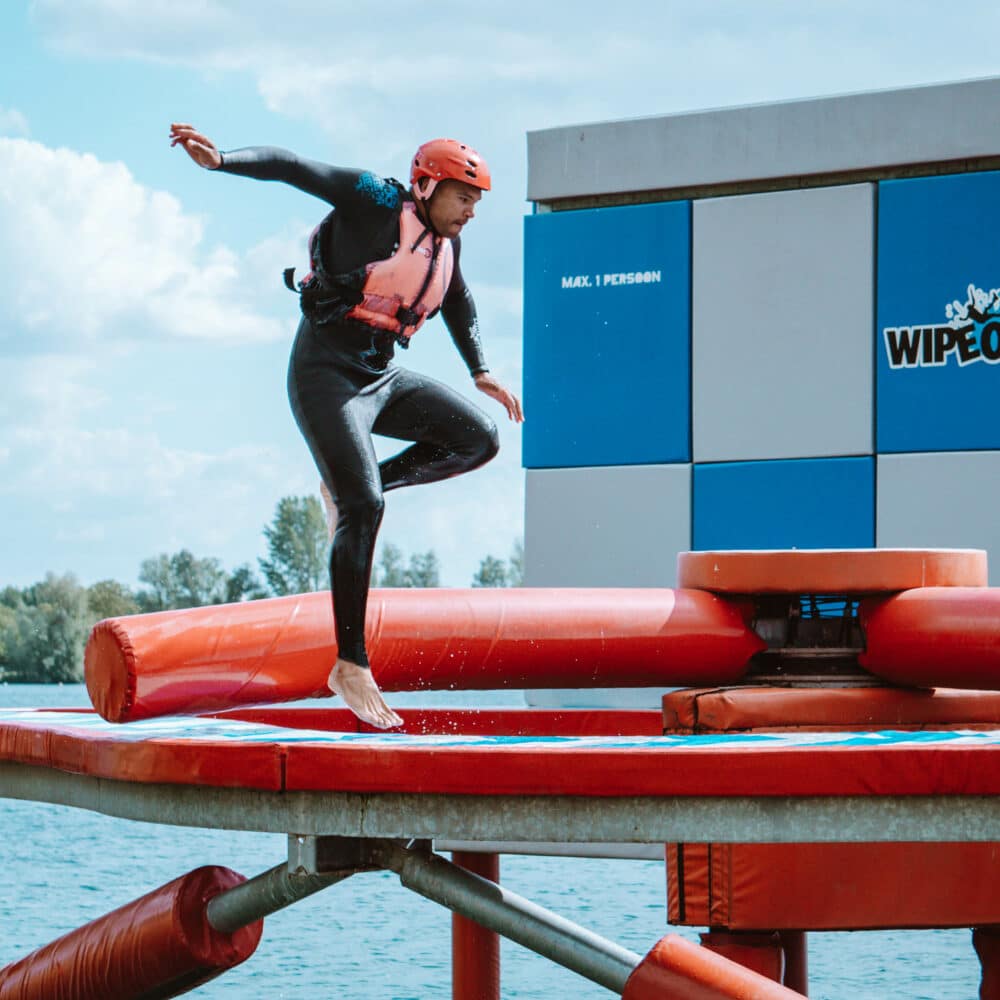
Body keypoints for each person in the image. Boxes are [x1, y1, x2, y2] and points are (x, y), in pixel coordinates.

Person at [169, 123, 523, 729]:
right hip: (325, 376)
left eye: (477, 202)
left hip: (380, 377)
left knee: (479, 439)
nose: (471, 211)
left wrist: (481, 371)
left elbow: (458, 301)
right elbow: (293, 166)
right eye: (464, 197)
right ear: (426, 185)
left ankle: (351, 489)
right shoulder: (374, 201)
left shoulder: (446, 246)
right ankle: (350, 665)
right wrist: (222, 159)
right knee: (366, 506)